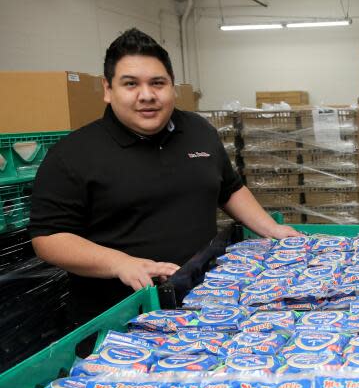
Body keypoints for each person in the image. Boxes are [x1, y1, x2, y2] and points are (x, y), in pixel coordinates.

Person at [29, 28, 301, 322]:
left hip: (206, 303)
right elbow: (48, 237)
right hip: (121, 321)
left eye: (157, 83)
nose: (147, 95)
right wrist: (119, 263)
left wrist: (271, 230)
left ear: (173, 87)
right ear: (108, 90)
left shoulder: (198, 131)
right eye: (130, 84)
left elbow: (230, 189)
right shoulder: (74, 153)